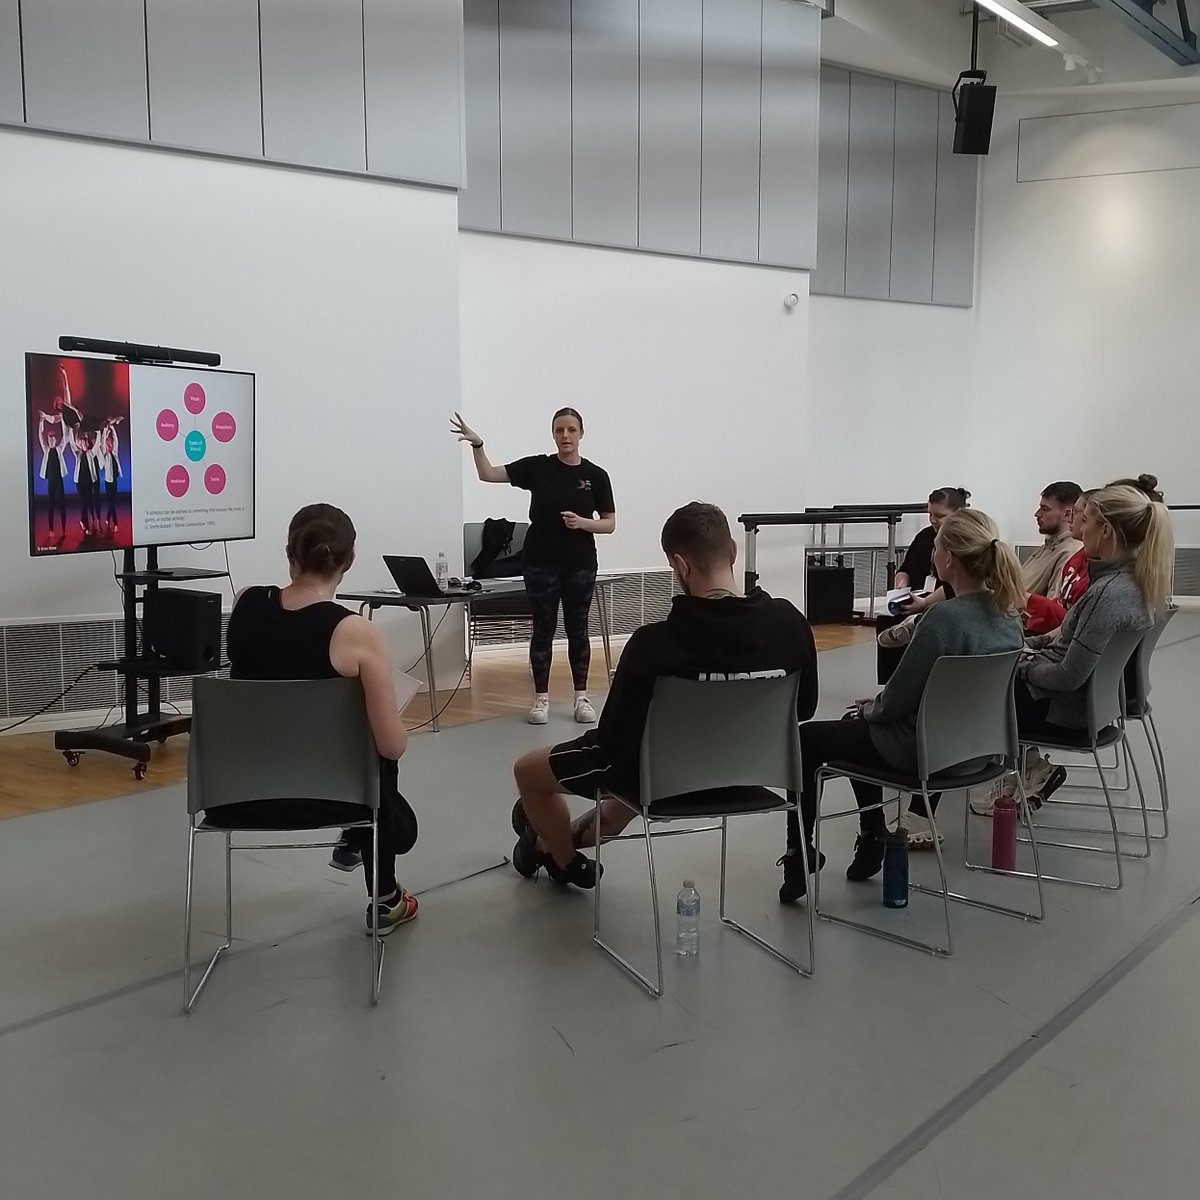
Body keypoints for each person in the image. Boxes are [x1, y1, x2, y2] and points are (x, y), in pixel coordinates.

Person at [509, 502, 818, 890]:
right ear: (734, 551)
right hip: (747, 773)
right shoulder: (791, 623)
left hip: (666, 778)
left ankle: (561, 859)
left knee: (530, 771)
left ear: (680, 566)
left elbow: (614, 744)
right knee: (626, 795)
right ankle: (554, 847)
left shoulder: (653, 645)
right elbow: (804, 709)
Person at [784, 509, 1025, 899]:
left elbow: (897, 700)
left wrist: (870, 709)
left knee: (811, 738)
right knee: (858, 729)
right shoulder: (1009, 619)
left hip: (923, 753)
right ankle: (870, 833)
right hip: (977, 754)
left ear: (947, 559)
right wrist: (873, 711)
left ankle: (800, 853)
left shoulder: (941, 620)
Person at [222, 504, 420, 935]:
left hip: (235, 793)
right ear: (347, 562)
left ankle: (362, 836)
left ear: (288, 551)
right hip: (330, 795)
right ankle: (383, 895)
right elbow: (393, 745)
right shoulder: (355, 632)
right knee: (382, 756)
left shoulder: (245, 605)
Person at [452, 409, 615, 725]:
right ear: (553, 434)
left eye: (571, 430)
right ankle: (541, 699)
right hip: (540, 562)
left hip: (580, 563)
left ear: (581, 433)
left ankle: (581, 698)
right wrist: (478, 445)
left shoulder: (596, 476)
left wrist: (583, 523)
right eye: (559, 430)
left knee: (577, 629)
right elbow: (488, 474)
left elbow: (608, 524)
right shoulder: (538, 467)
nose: (565, 436)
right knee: (543, 629)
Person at [1014, 483, 1171, 770]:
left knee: (962, 691)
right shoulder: (1136, 582)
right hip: (1086, 706)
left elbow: (1068, 676)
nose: (1081, 530)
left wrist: (1022, 666)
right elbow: (1067, 637)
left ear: (1106, 531)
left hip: (1063, 711)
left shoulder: (1109, 594)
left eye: (1086, 522)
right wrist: (1029, 648)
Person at [875, 487, 971, 680]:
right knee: (887, 619)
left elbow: (956, 584)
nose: (933, 520)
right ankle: (892, 681)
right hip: (918, 595)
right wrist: (901, 587)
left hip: (944, 601)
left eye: (940, 515)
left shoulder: (964, 541)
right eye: (930, 514)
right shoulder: (924, 536)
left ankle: (917, 680)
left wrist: (925, 604)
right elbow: (905, 568)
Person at [1021, 482, 1083, 598]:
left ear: (1067, 514)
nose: (1037, 514)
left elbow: (1052, 607)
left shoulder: (1070, 552)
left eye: (1045, 509)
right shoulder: (1047, 546)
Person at [37, 418, 69, 542]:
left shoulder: (59, 449)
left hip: (59, 480)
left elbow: (65, 436)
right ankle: (51, 530)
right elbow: (40, 435)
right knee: (50, 505)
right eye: (49, 438)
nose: (51, 440)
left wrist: (62, 420)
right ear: (48, 440)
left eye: (53, 438)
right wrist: (41, 421)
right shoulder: (45, 449)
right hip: (51, 481)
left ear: (55, 440)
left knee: (62, 505)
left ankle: (64, 529)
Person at [94, 418, 124, 534]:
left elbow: (117, 440)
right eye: (108, 444)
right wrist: (105, 432)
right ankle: (116, 524)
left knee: (113, 502)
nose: (109, 445)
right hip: (107, 482)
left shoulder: (114, 453)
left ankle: (107, 518)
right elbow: (101, 444)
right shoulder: (104, 456)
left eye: (110, 443)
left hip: (114, 481)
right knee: (111, 503)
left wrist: (112, 428)